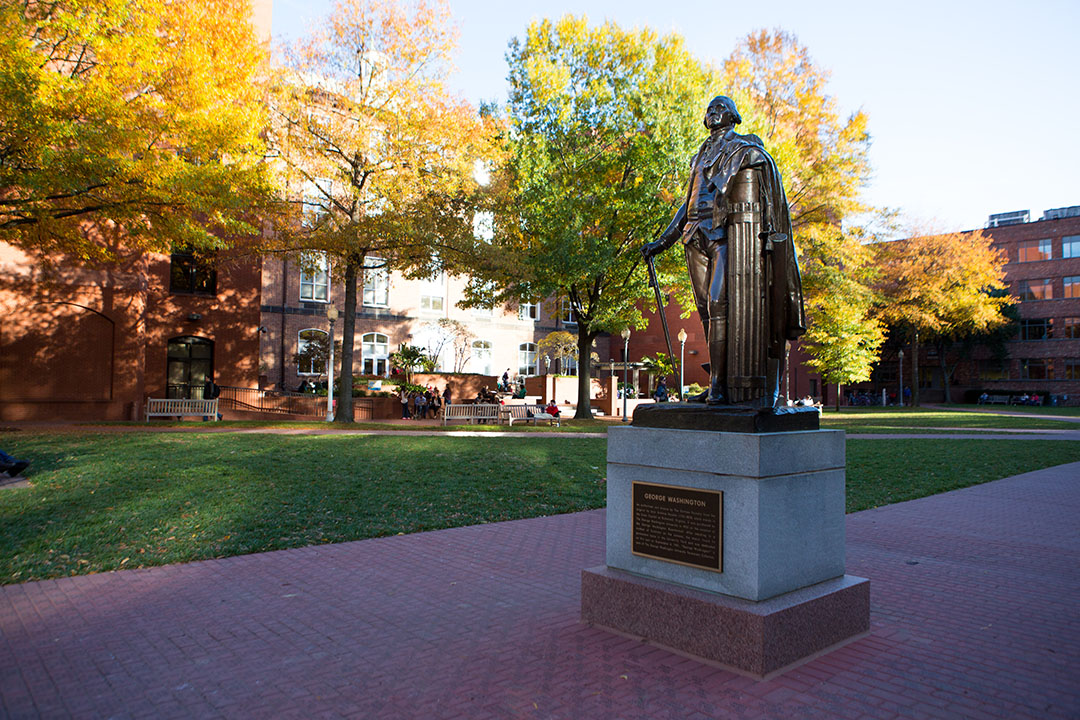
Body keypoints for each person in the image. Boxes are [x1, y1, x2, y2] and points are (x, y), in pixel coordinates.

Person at [642, 95, 805, 407]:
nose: (712, 113)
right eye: (709, 109)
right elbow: (687, 205)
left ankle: (719, 386)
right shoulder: (700, 155)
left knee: (719, 303)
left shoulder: (743, 147)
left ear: (733, 116)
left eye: (720, 109)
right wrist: (662, 242)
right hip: (693, 234)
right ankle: (718, 379)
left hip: (722, 233)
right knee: (705, 311)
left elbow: (760, 160)